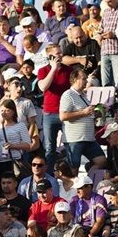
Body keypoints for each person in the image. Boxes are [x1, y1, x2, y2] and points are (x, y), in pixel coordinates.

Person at [60, 69, 106, 171]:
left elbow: (87, 114)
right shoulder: (68, 95)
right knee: (74, 167)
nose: (86, 81)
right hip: (74, 139)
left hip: (89, 138)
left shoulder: (84, 95)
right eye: (84, 79)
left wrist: (97, 113)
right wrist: (83, 112)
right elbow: (63, 116)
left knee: (101, 160)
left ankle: (87, 179)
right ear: (75, 80)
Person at [38, 44, 72, 172]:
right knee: (49, 147)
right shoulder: (43, 70)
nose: (60, 55)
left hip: (66, 113)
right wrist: (53, 69)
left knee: (69, 145)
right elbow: (43, 87)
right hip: (49, 113)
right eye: (57, 53)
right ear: (50, 56)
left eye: (60, 52)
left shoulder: (69, 70)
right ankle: (49, 174)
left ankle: (68, 173)